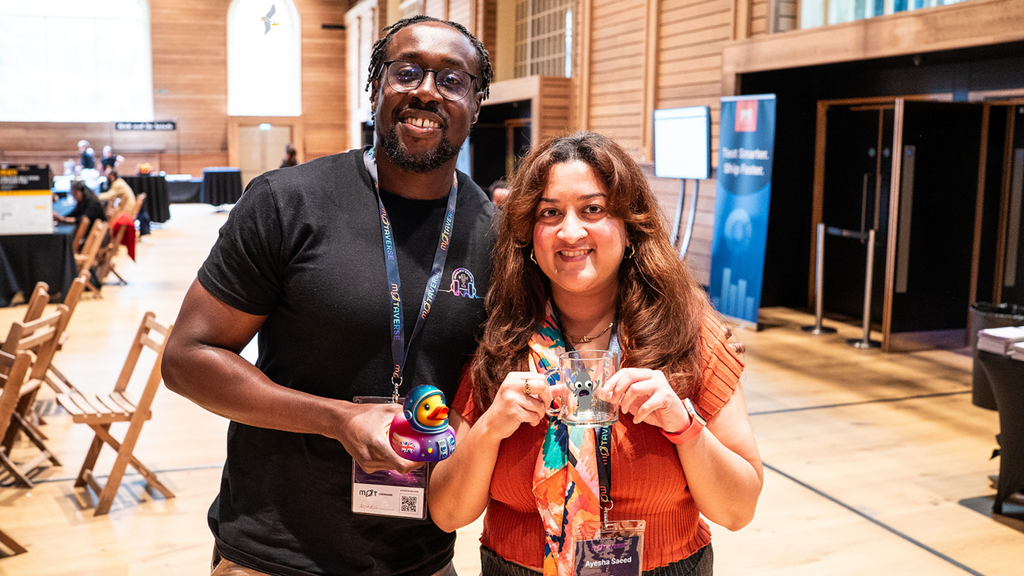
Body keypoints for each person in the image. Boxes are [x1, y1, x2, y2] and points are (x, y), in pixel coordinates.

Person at [161, 15, 494, 576]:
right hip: (275, 550)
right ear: (375, 90)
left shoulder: (494, 229)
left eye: (452, 79)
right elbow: (186, 359)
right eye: (406, 72)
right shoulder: (287, 203)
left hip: (423, 557)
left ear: (476, 106)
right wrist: (335, 419)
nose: (426, 92)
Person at [429, 132, 763, 576]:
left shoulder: (688, 334)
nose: (570, 231)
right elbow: (449, 513)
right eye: (550, 213)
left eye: (593, 209)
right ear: (529, 235)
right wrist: (489, 428)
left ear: (630, 227)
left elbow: (737, 511)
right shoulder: (500, 341)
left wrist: (685, 427)